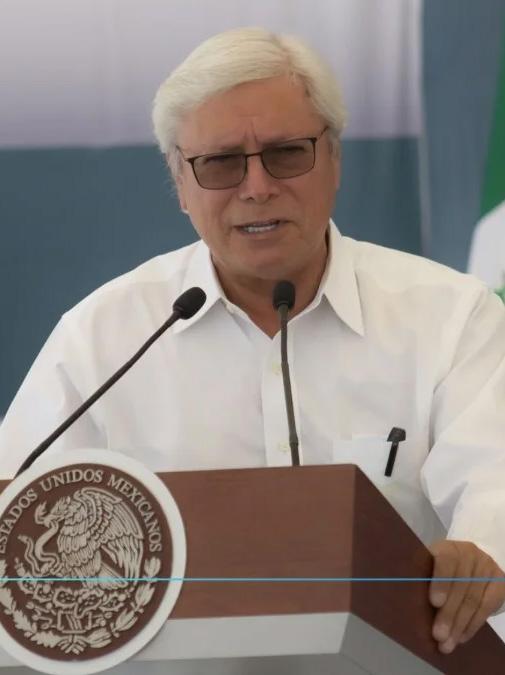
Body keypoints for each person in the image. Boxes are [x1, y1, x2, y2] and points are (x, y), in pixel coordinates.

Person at [1, 27, 505, 655]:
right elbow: (19, 515)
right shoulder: (104, 337)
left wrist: (481, 554)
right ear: (180, 184)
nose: (258, 186)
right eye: (220, 164)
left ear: (334, 159)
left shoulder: (451, 316)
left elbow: (494, 484)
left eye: (286, 153)